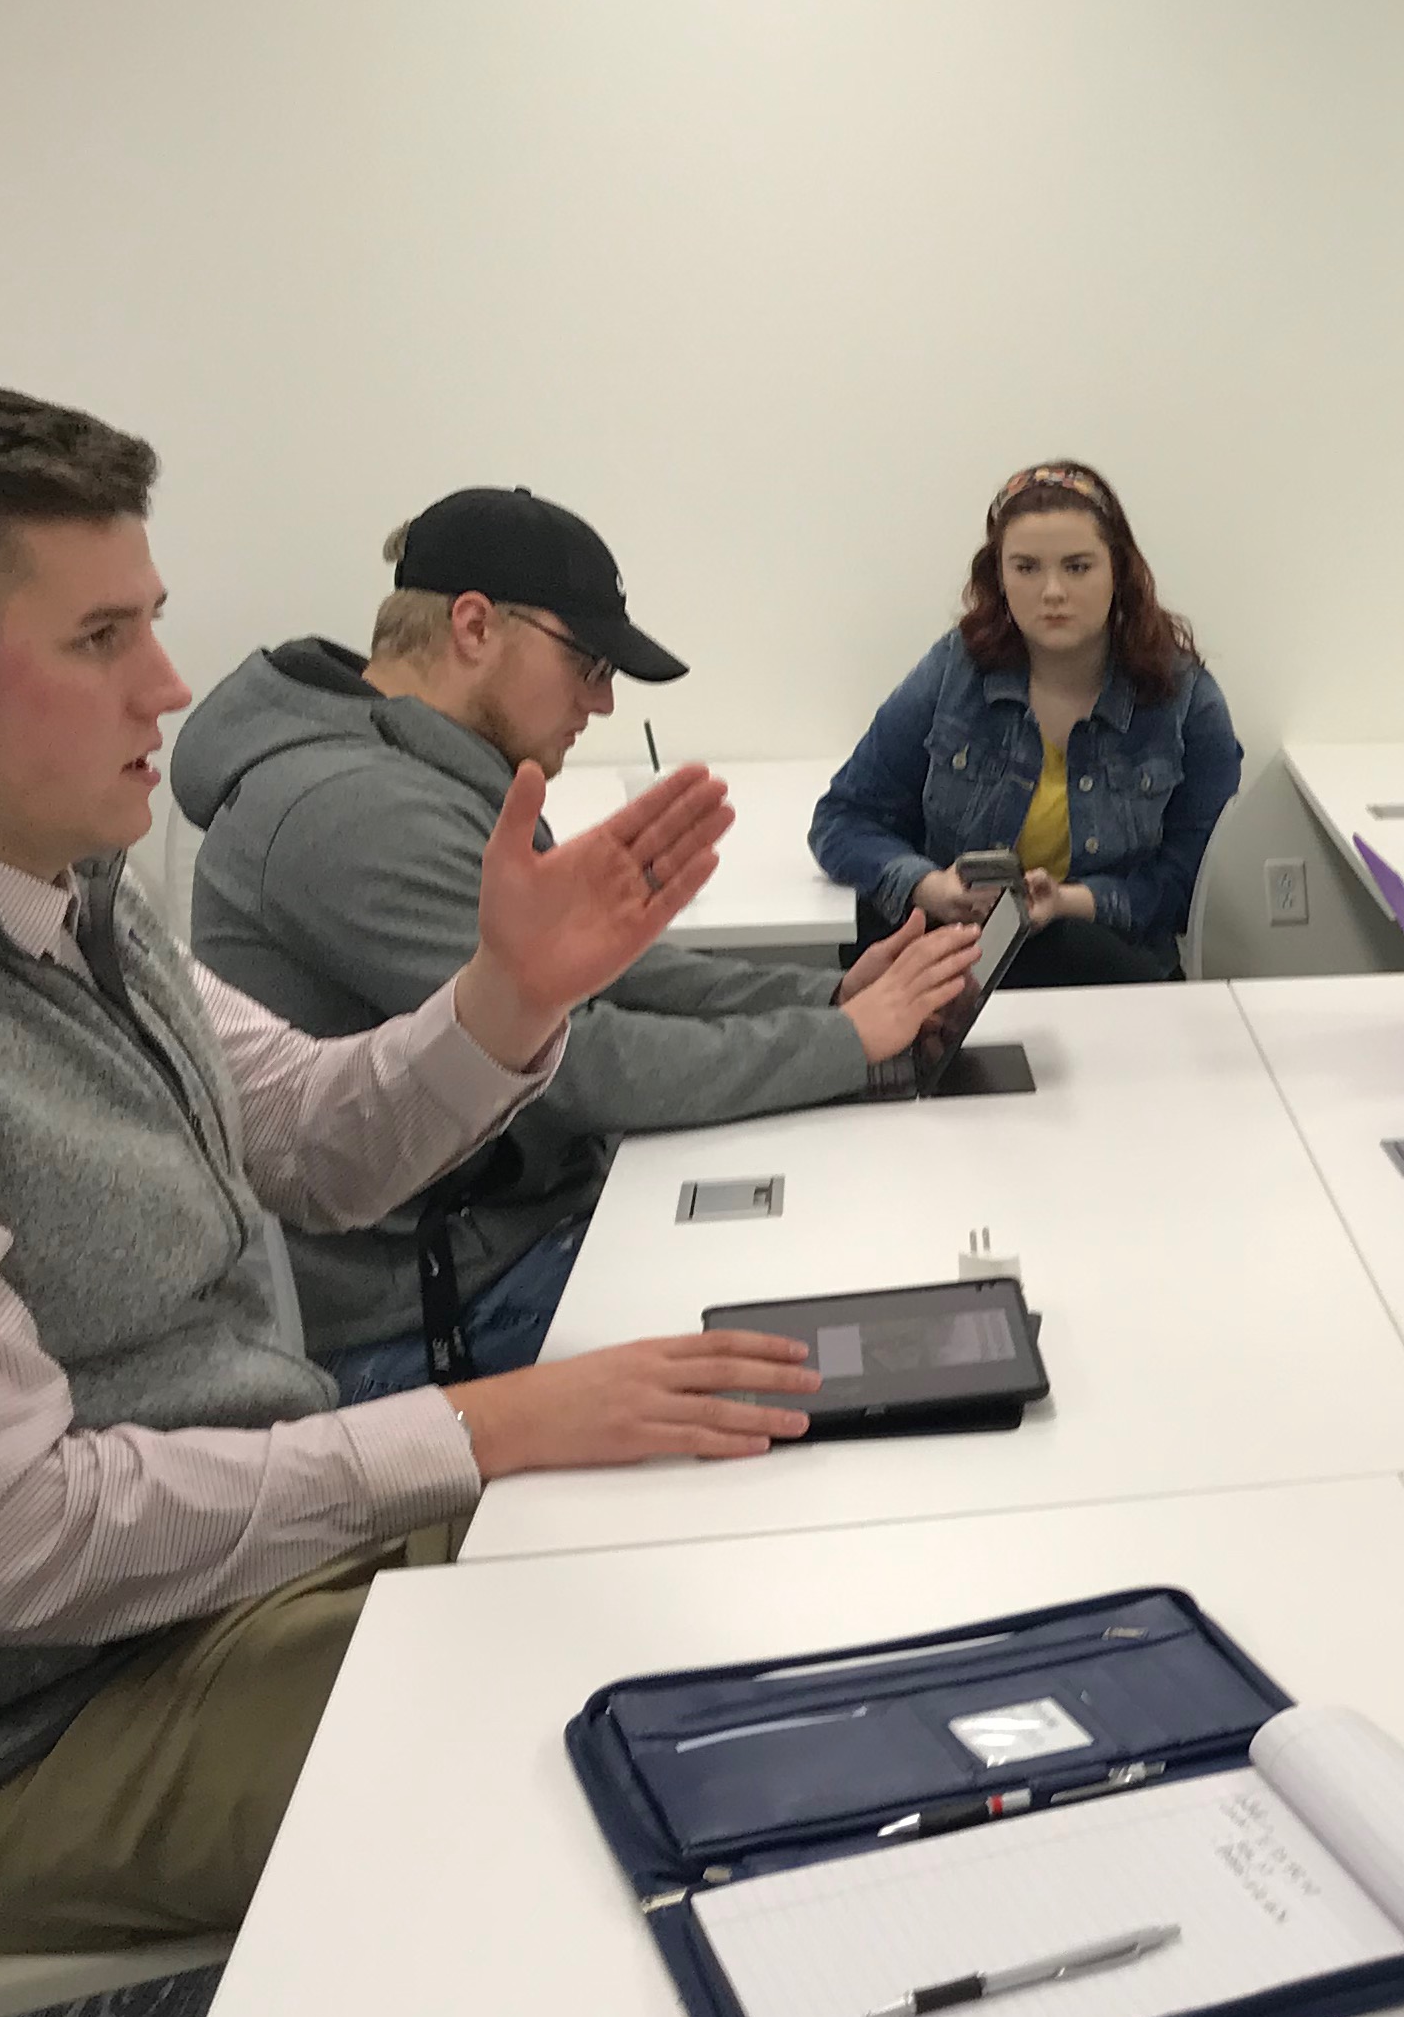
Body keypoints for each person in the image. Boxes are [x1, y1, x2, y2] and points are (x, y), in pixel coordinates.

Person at [0, 374, 829, 1953]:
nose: (168, 685)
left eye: (149, 622)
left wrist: (507, 1001)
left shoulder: (71, 895)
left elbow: (312, 1136)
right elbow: (14, 1545)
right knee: (633, 1735)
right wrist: (476, 1426)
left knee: (685, 1559)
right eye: (102, 639)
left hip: (225, 1578)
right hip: (21, 1737)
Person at [182, 489, 977, 1398]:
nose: (601, 702)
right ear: (474, 626)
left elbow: (595, 978)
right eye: (588, 665)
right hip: (436, 1312)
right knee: (829, 1342)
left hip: (511, 1237)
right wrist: (844, 1042)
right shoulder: (351, 812)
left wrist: (825, 1001)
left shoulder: (417, 771)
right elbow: (575, 1064)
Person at [809, 460, 1239, 985]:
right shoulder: (954, 671)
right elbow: (842, 819)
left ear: (1119, 573)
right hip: (960, 964)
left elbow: (1194, 882)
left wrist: (1071, 902)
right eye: (1027, 568)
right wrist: (930, 887)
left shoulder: (1184, 697)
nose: (1052, 592)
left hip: (1114, 972)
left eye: (1077, 567)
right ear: (999, 577)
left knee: (1075, 946)